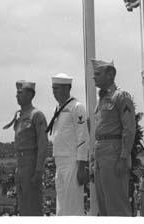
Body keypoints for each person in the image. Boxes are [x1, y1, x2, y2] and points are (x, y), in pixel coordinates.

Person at [91, 58, 136, 216]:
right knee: (103, 206)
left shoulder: (121, 96)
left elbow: (129, 129)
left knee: (116, 204)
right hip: (101, 153)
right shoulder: (101, 100)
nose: (93, 77)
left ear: (110, 75)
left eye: (97, 73)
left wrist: (123, 158)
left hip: (113, 153)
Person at [3, 80, 48, 215]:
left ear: (29, 95)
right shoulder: (20, 115)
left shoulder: (36, 115)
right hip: (20, 164)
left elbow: (43, 144)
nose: (16, 96)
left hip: (31, 163)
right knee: (22, 206)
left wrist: (39, 170)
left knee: (33, 205)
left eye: (20, 93)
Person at [47, 72, 89, 215]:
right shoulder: (58, 108)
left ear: (67, 88)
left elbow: (83, 136)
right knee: (61, 207)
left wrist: (82, 166)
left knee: (73, 206)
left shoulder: (76, 107)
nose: (53, 92)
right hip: (60, 162)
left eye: (56, 88)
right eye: (53, 88)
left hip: (73, 161)